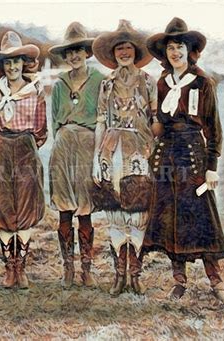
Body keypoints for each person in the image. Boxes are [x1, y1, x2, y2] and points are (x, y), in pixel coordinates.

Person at [143, 17, 224, 305]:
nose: (175, 52)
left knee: (203, 219)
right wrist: (148, 125)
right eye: (170, 47)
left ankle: (216, 283)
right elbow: (159, 127)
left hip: (193, 157)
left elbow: (214, 129)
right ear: (165, 53)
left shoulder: (203, 82)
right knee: (170, 220)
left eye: (179, 46)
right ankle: (179, 281)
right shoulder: (162, 83)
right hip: (167, 157)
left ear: (189, 49)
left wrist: (211, 168)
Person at [92, 20, 156, 296]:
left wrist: (152, 149)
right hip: (111, 148)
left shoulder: (148, 82)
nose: (124, 53)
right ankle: (119, 274)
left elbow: (155, 119)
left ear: (136, 51)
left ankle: (136, 274)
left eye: (128, 47)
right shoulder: (106, 84)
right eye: (119, 49)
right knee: (115, 211)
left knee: (139, 212)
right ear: (114, 53)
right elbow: (99, 121)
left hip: (140, 149)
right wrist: (97, 157)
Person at [0, 31, 47, 289]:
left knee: (26, 205)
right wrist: (2, 143)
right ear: (2, 66)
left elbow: (42, 129)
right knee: (4, 204)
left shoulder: (35, 92)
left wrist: (28, 145)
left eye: (16, 61)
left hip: (26, 147)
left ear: (24, 63)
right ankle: (9, 266)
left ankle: (21, 265)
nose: (12, 67)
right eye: (7, 63)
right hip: (1, 147)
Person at [48, 22, 105, 288]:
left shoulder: (98, 80)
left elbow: (104, 115)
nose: (74, 56)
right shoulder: (59, 85)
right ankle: (67, 269)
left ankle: (87, 269)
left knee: (85, 208)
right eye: (69, 52)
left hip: (87, 145)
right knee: (64, 208)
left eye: (79, 50)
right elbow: (54, 122)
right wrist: (62, 138)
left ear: (87, 52)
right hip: (63, 146)